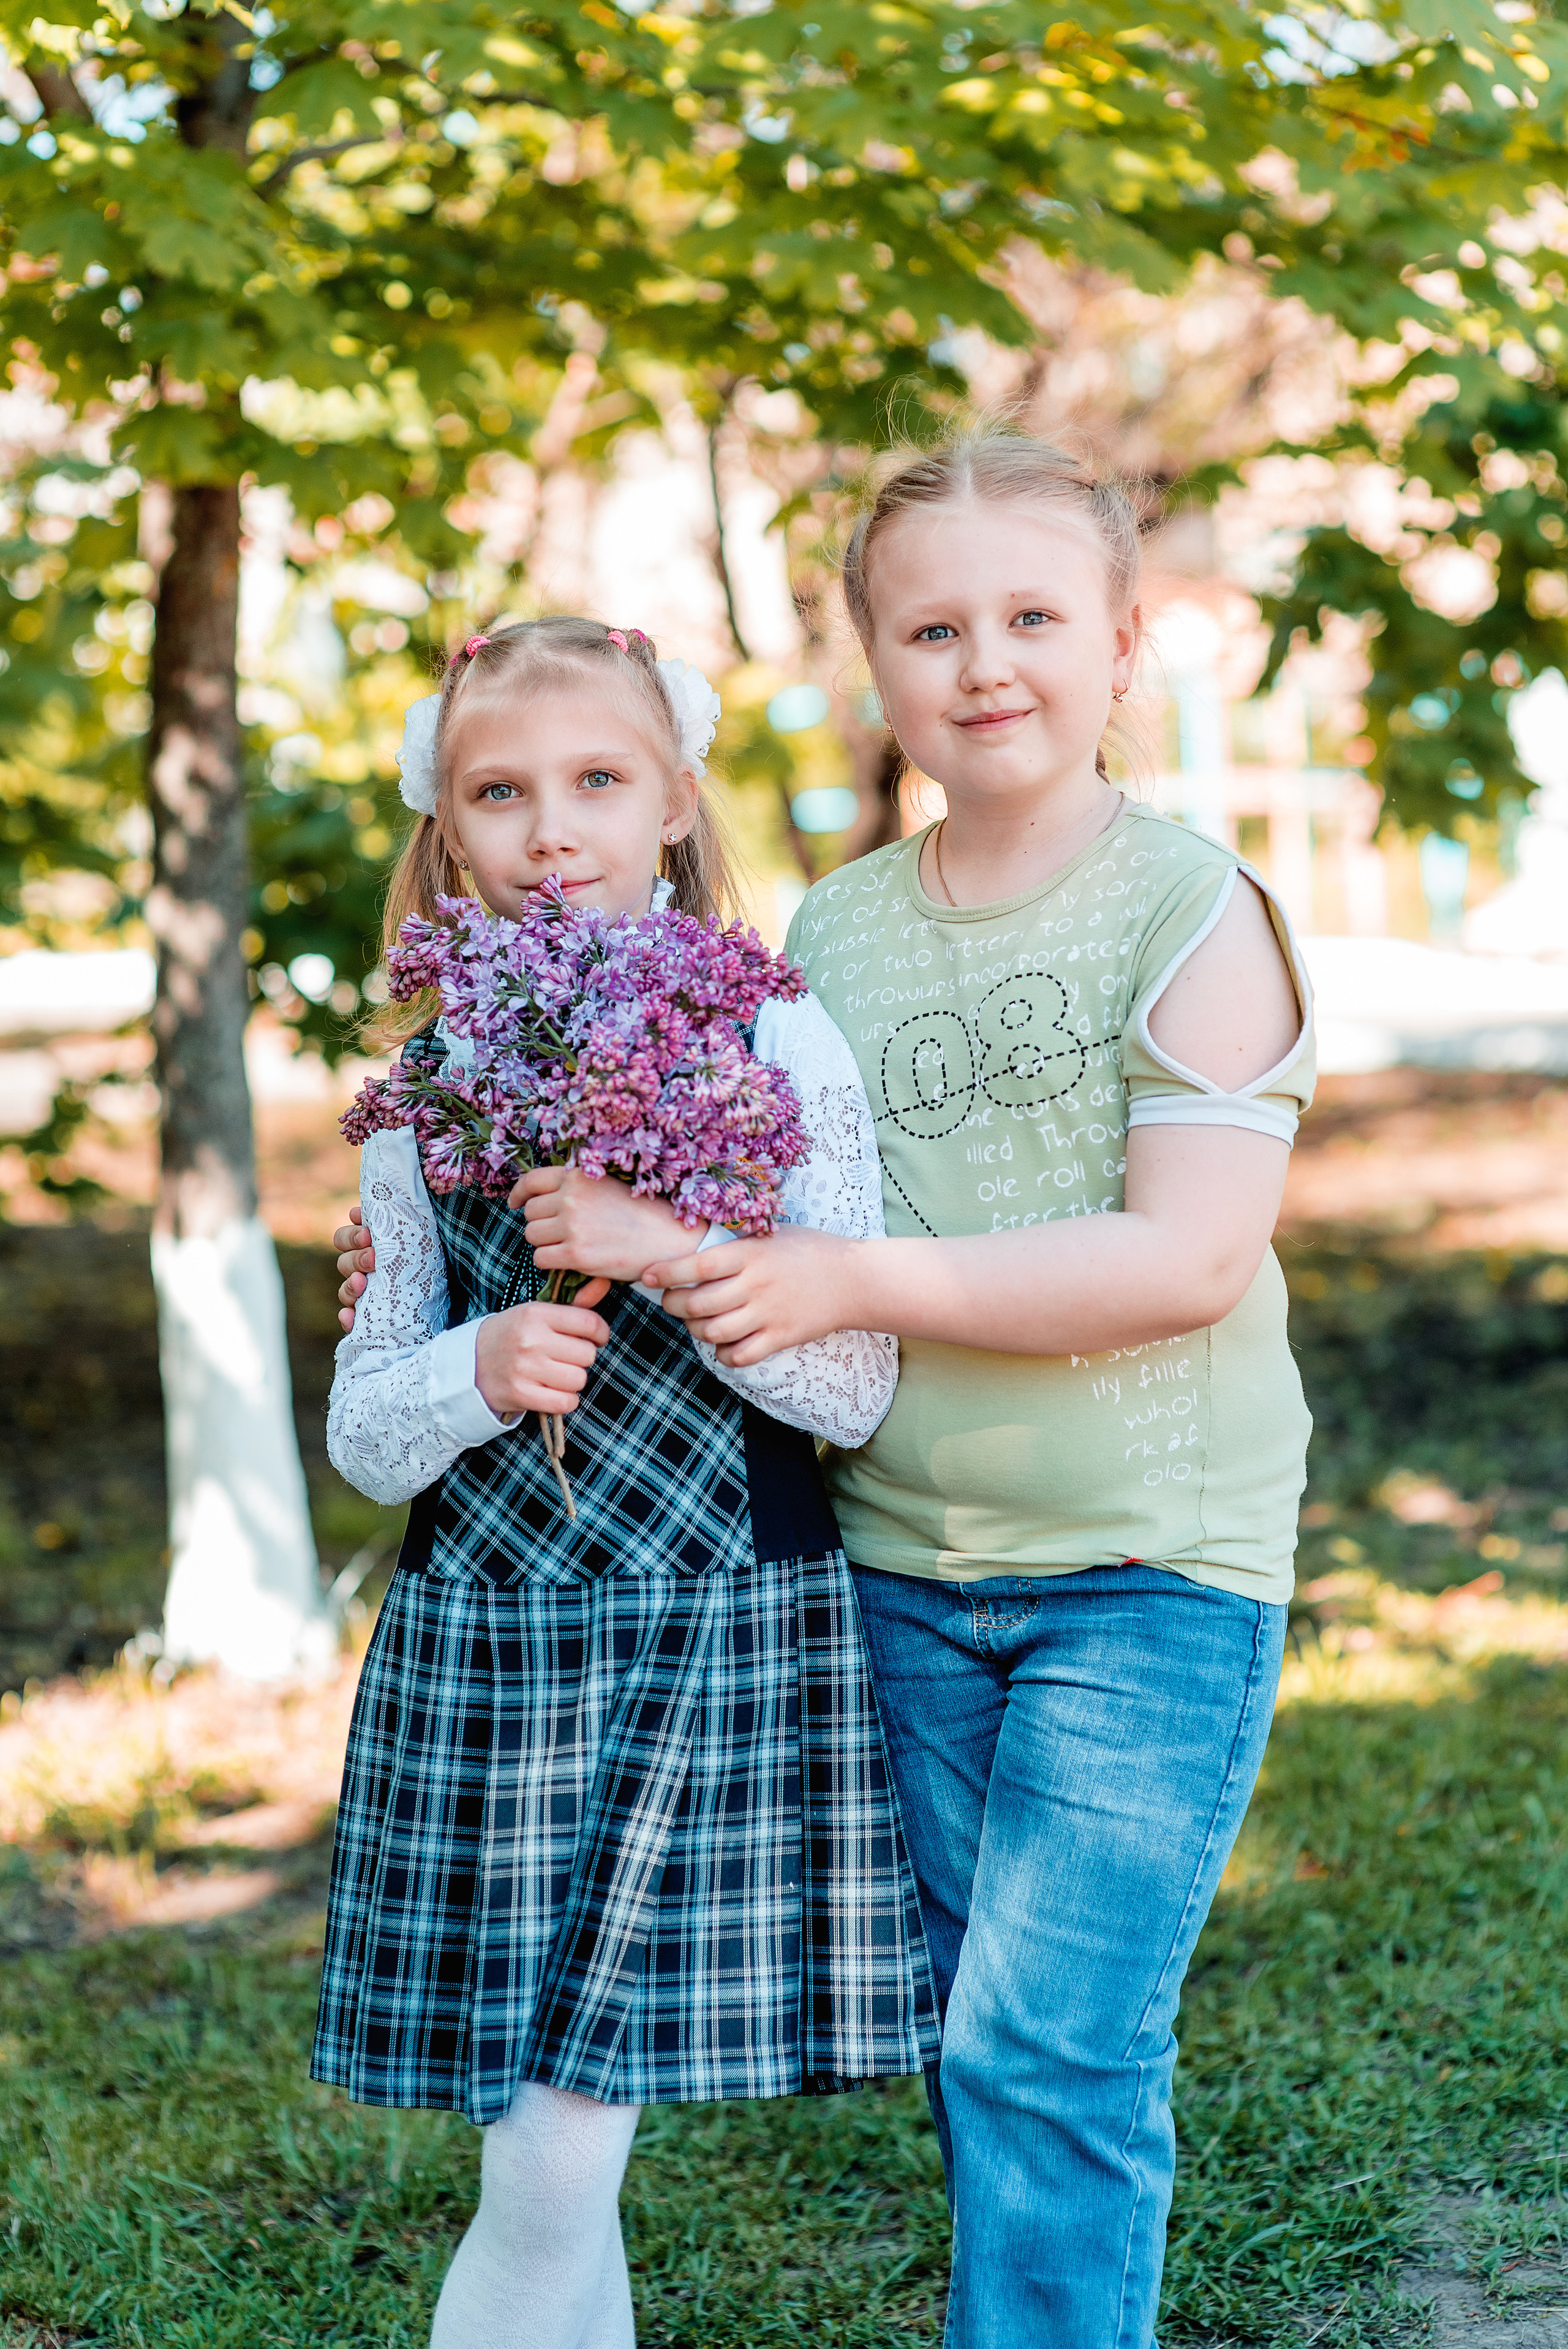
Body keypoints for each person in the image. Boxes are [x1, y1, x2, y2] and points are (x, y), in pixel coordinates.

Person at [635, 429, 1316, 2349]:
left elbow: (1184, 1258)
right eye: (934, 626)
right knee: (978, 2030)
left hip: (1150, 1564)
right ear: (876, 662)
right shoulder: (835, 932)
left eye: (1034, 614)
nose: (986, 659)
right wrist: (457, 1233)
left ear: (1125, 644)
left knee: (1045, 2040)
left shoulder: (1196, 914)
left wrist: (850, 1277)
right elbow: (735, 1199)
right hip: (905, 1562)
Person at [316, 616, 937, 2349]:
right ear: (446, 826)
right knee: (543, 2131)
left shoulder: (775, 1031)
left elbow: (853, 1382)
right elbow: (368, 1432)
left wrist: (668, 1250)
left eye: (596, 781)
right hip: (494, 1650)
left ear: (674, 798)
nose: (551, 829)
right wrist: (474, 1366)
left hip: (711, 1631)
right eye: (499, 793)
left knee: (555, 2147)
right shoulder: (420, 1086)